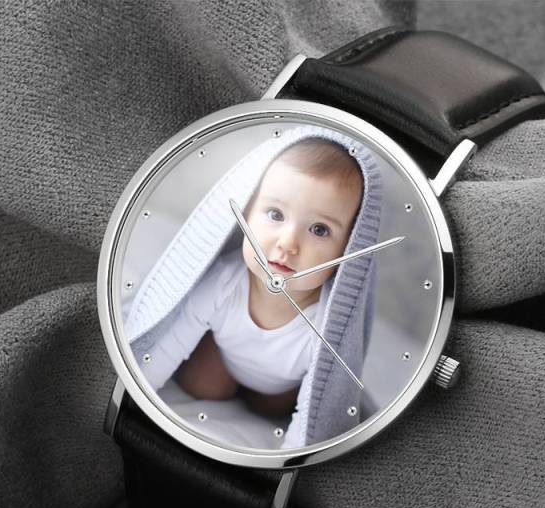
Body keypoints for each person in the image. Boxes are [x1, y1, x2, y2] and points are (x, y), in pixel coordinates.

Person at [125, 126, 384, 447]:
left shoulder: (327, 325)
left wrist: (295, 457)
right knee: (202, 383)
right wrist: (132, 395)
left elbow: (317, 410)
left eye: (319, 229)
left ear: (349, 249)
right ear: (246, 213)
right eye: (275, 214)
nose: (288, 243)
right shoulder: (224, 280)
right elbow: (168, 345)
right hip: (224, 359)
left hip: (279, 389)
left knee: (273, 408)